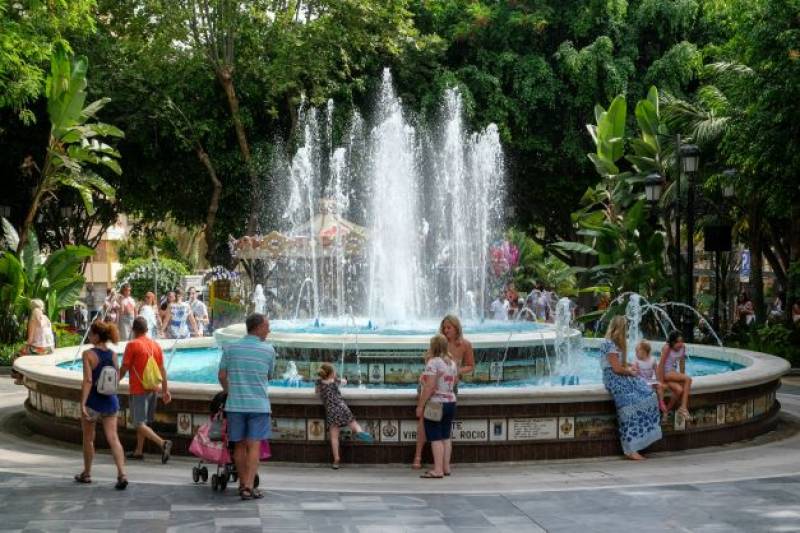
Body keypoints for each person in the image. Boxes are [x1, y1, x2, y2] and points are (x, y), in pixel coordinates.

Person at [218, 313, 275, 500]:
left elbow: (221, 375)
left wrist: (230, 390)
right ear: (257, 327)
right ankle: (249, 486)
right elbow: (269, 376)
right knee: (254, 445)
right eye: (267, 326)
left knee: (239, 446)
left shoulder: (230, 348)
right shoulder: (269, 351)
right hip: (259, 405)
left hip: (235, 405)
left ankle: (243, 485)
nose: (269, 330)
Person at [599, 316, 662, 460]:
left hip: (621, 376)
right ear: (619, 329)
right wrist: (630, 371)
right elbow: (615, 369)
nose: (626, 332)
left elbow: (620, 364)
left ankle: (639, 441)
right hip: (614, 379)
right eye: (624, 329)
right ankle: (630, 449)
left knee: (648, 394)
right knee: (630, 404)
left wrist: (629, 366)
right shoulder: (608, 344)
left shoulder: (614, 344)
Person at [75, 321, 128, 489]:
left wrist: (82, 403)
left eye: (90, 334)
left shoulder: (88, 354)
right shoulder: (113, 354)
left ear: (97, 336)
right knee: (113, 438)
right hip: (110, 401)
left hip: (93, 402)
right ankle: (121, 474)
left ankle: (87, 473)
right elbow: (117, 376)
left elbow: (88, 380)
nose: (89, 336)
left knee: (89, 439)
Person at [119, 317, 173, 462]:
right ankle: (138, 451)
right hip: (153, 389)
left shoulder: (132, 345)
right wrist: (165, 390)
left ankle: (163, 443)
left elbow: (124, 368)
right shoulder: (155, 345)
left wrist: (113, 382)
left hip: (138, 389)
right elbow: (162, 370)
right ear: (147, 330)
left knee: (138, 423)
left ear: (133, 330)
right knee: (143, 422)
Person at [316, 363, 374, 469]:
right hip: (342, 407)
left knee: (334, 437)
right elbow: (345, 382)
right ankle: (359, 432)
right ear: (332, 374)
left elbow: (316, 392)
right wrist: (345, 379)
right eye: (334, 372)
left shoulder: (319, 383)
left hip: (331, 411)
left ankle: (336, 460)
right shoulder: (335, 381)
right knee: (353, 423)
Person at [416, 334, 458, 478]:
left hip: (436, 403)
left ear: (433, 346)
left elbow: (429, 386)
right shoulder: (451, 363)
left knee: (435, 437)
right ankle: (446, 468)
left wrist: (420, 405)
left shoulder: (433, 362)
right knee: (446, 436)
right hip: (451, 401)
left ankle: (438, 470)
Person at [658, 331, 693, 421]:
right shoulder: (667, 348)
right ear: (672, 342)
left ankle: (666, 411)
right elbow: (661, 365)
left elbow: (682, 362)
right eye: (678, 342)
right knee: (688, 379)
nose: (680, 344)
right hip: (665, 373)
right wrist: (661, 382)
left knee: (679, 390)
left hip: (672, 373)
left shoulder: (682, 347)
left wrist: (682, 376)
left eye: (682, 341)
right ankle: (683, 408)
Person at [631, 340, 667, 414]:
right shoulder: (636, 361)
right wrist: (634, 368)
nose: (636, 353)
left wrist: (658, 381)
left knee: (659, 386)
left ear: (644, 352)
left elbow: (656, 371)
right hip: (641, 381)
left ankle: (661, 402)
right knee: (647, 389)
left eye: (637, 351)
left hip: (649, 380)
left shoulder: (652, 360)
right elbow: (634, 373)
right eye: (636, 352)